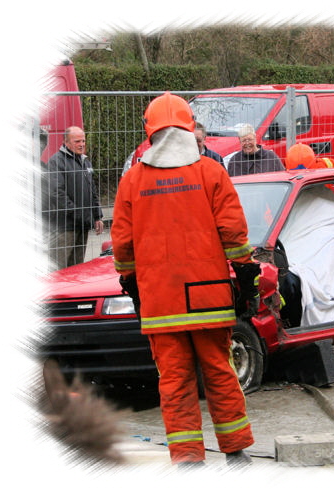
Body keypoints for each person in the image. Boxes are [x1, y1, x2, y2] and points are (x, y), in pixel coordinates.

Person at [110, 92, 256, 469]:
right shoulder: (211, 172)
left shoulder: (133, 181)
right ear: (190, 127)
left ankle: (188, 461)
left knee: (174, 383)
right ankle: (236, 453)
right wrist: (245, 275)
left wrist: (131, 282)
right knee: (220, 372)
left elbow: (123, 246)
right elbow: (234, 233)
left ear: (150, 131)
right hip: (209, 298)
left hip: (161, 303)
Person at [43, 126, 104, 269]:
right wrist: (79, 214)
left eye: (83, 141)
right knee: (58, 269)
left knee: (77, 269)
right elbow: (56, 193)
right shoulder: (56, 161)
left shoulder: (85, 161)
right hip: (64, 227)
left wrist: (97, 216)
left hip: (82, 225)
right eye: (77, 141)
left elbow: (92, 190)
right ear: (66, 142)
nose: (82, 144)